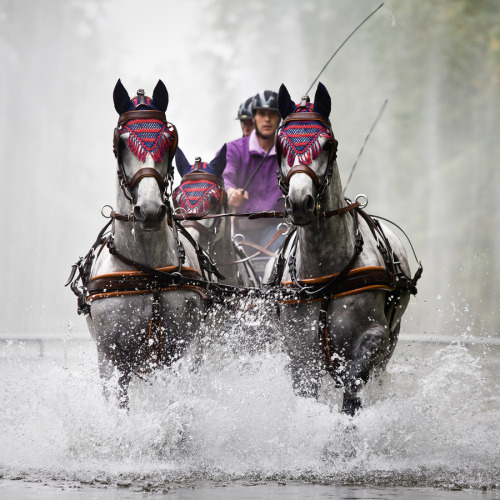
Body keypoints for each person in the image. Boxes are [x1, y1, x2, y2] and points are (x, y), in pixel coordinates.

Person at [223, 90, 285, 278]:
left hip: (278, 229)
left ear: (279, 118)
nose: (267, 119)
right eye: (261, 114)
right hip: (241, 230)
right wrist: (231, 192)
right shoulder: (233, 149)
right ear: (254, 117)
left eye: (272, 114)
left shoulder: (288, 151)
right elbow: (226, 175)